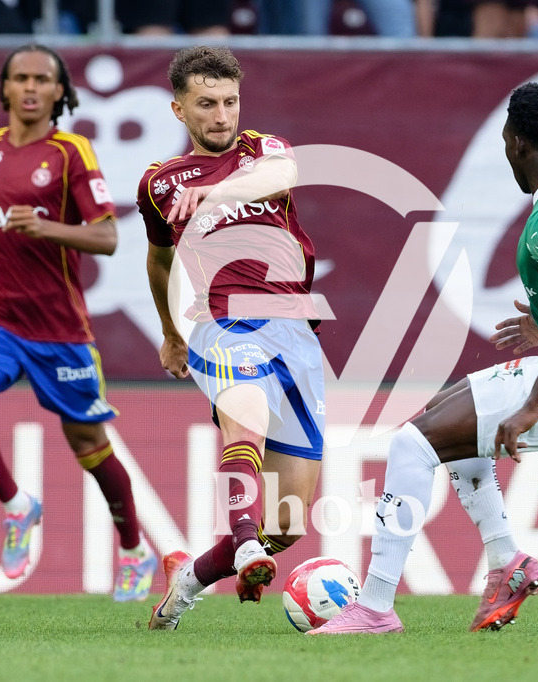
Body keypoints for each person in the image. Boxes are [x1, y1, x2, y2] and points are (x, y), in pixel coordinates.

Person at [311, 81, 538, 634]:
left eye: (506, 134)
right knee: (439, 416)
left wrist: (531, 405)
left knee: (411, 442)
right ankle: (507, 562)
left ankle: (375, 608)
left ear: (517, 141)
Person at [0, 43, 157, 602]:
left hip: (59, 330)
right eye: (19, 78)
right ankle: (18, 506)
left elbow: (107, 236)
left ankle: (133, 547)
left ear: (58, 92)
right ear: (3, 88)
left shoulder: (71, 152)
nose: (29, 87)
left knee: (91, 447)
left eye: (41, 80)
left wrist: (46, 228)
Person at [137, 46, 326, 630]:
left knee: (289, 524)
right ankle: (244, 547)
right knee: (244, 412)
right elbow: (159, 261)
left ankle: (189, 577)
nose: (222, 116)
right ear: (178, 111)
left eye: (230, 101)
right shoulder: (159, 183)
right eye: (207, 104)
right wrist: (170, 333)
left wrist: (216, 196)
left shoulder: (262, 150)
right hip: (222, 321)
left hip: (296, 326)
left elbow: (285, 174)